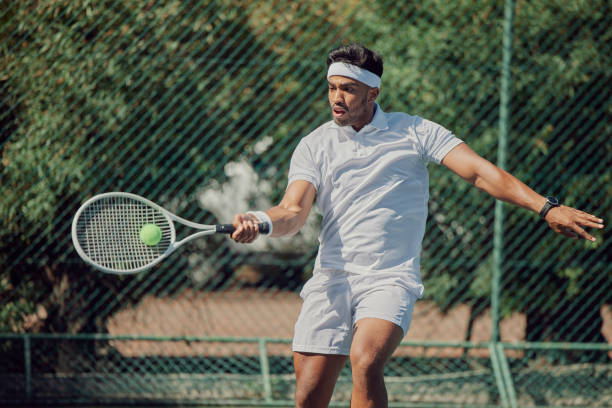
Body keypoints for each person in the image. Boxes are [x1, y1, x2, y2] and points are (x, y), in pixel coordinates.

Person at [229, 43, 604, 408]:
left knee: (365, 360)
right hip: (332, 278)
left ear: (373, 92)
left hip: (389, 279)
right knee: (308, 396)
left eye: (348, 88)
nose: (336, 97)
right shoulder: (314, 145)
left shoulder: (414, 131)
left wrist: (546, 208)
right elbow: (292, 211)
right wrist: (259, 222)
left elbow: (479, 172)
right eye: (331, 87)